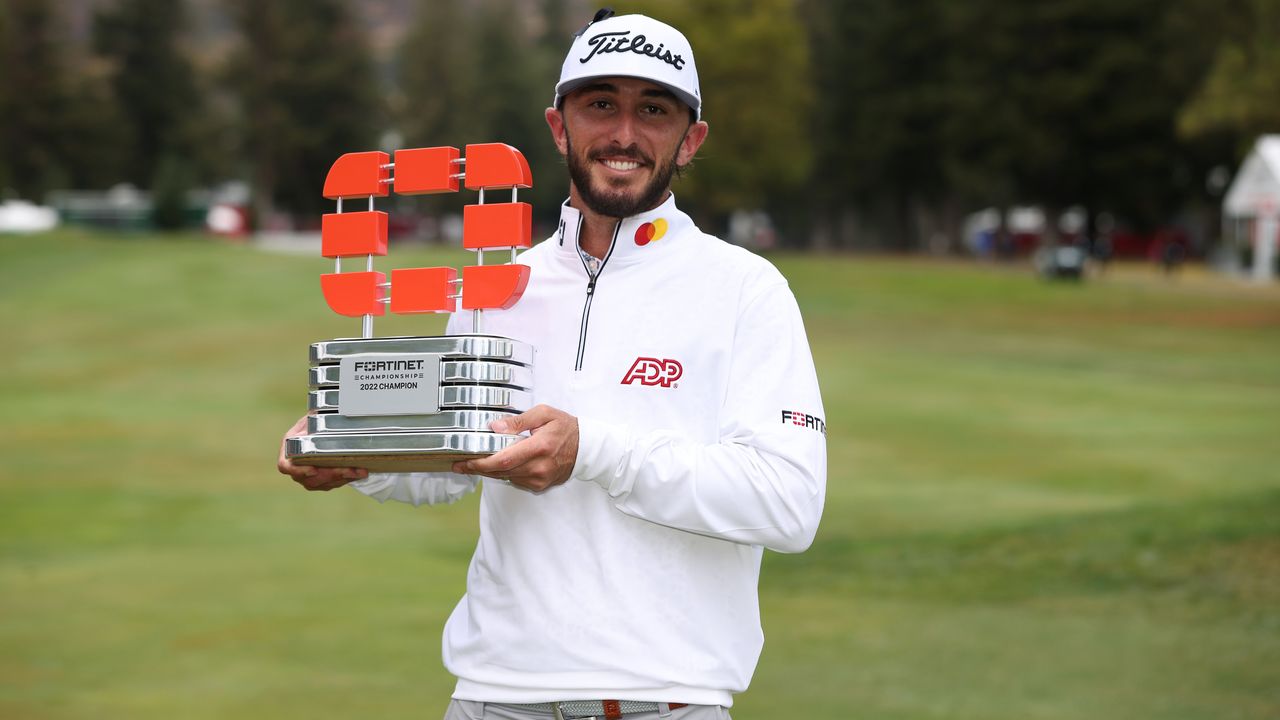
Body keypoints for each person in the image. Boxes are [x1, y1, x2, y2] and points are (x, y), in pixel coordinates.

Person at [277, 11, 826, 720]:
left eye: (652, 110)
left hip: (666, 700)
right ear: (559, 126)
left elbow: (787, 504)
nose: (624, 134)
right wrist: (359, 457)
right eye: (601, 105)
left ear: (691, 140)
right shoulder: (498, 284)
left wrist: (593, 450)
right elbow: (453, 466)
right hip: (494, 696)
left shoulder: (746, 290)